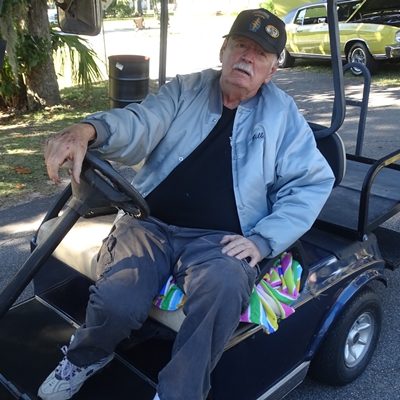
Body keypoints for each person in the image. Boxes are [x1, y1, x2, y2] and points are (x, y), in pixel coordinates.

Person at [38, 8, 335, 400]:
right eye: (240, 45)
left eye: (260, 54)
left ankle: (179, 393)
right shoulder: (186, 89)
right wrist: (88, 129)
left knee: (225, 288)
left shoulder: (283, 116)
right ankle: (85, 357)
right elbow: (139, 123)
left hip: (221, 240)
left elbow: (311, 183)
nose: (247, 57)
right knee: (118, 300)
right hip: (149, 224)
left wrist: (264, 240)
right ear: (223, 50)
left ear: (272, 70)